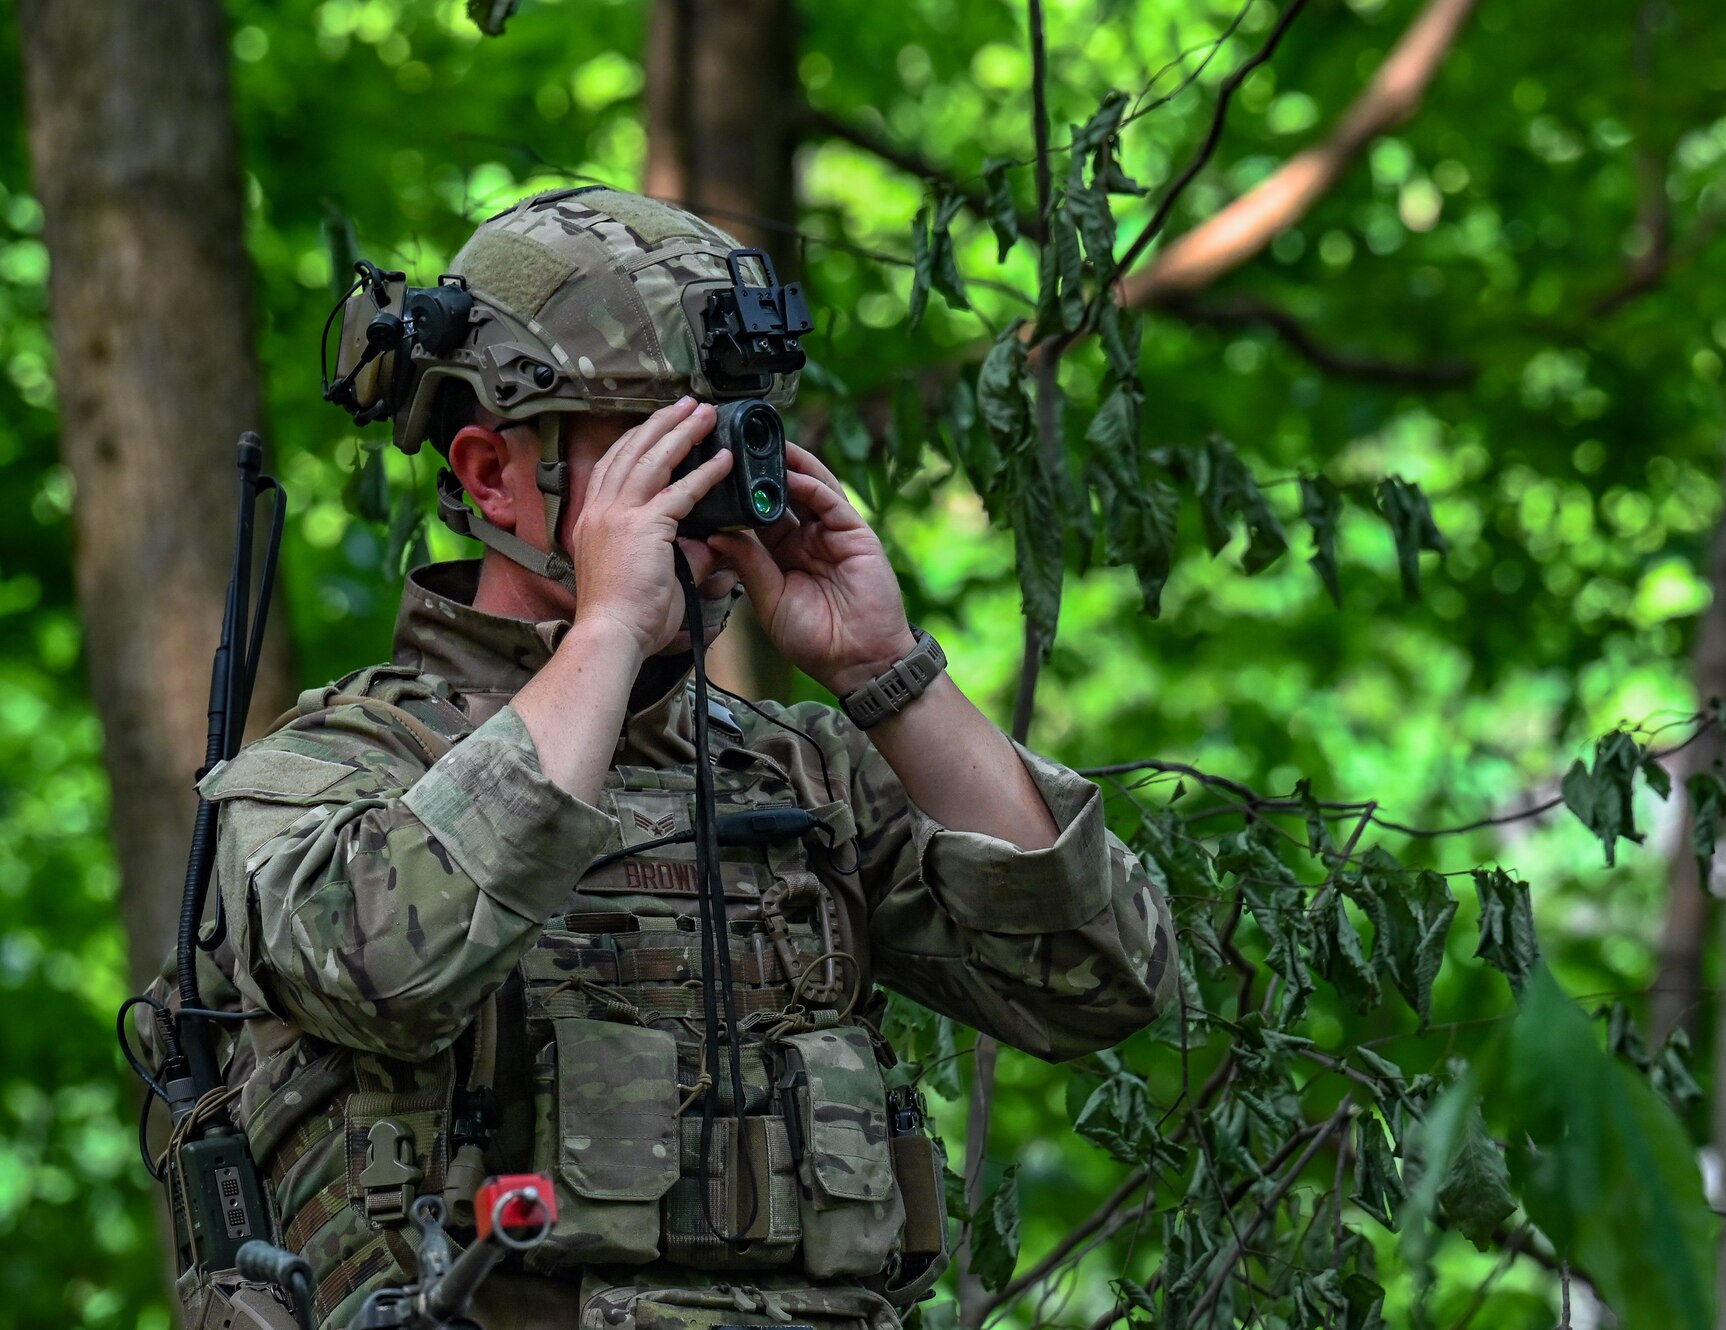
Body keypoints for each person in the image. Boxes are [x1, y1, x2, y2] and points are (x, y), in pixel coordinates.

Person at [190, 187, 1178, 1330]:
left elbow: (1100, 982)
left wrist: (885, 671)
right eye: (653, 452)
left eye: (723, 445)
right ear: (490, 472)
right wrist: (608, 625)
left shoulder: (803, 777)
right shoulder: (326, 775)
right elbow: (384, 970)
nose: (705, 501)